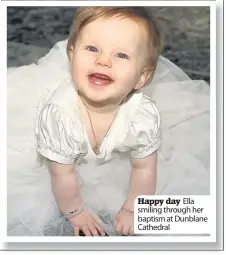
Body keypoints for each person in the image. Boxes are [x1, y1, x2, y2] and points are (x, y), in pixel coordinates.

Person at [7, 7, 210, 237]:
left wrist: (132, 209)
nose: (103, 60)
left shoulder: (142, 115)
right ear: (72, 56)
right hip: (61, 158)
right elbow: (61, 175)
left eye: (121, 55)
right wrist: (75, 212)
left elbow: (144, 167)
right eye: (92, 49)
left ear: (142, 78)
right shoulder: (60, 114)